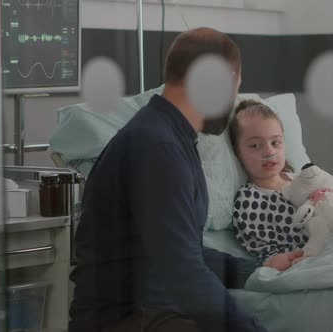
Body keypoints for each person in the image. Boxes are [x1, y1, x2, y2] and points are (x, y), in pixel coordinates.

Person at [69, 28, 302, 332]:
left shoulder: (172, 139)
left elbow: (184, 251)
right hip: (125, 319)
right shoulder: (156, 147)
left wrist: (258, 270)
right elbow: (183, 272)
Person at [229, 100, 324, 260]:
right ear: (238, 154)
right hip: (309, 258)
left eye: (275, 142)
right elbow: (262, 249)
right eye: (255, 145)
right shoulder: (250, 200)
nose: (269, 151)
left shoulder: (303, 179)